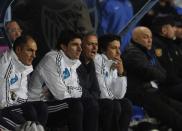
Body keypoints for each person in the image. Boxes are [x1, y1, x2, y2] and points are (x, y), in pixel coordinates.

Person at [123, 26, 182, 131]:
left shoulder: (146, 52)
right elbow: (150, 72)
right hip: (140, 94)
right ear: (135, 38)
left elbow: (162, 72)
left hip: (152, 91)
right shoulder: (132, 53)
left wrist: (158, 73)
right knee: (174, 117)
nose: (150, 40)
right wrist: (158, 73)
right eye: (145, 37)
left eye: (150, 37)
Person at [28, 30, 84, 131]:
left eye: (80, 45)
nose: (80, 49)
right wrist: (70, 89)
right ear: (63, 47)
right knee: (75, 105)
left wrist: (69, 88)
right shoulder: (53, 59)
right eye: (75, 45)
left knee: (91, 105)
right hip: (37, 105)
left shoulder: (72, 62)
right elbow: (61, 95)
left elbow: (79, 91)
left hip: (54, 104)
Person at [0, 34, 47, 131]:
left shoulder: (23, 65)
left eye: (35, 51)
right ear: (18, 50)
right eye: (30, 50)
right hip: (3, 109)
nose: (34, 55)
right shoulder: (6, 66)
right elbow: (4, 103)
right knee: (29, 110)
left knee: (42, 107)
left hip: (14, 105)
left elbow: (23, 97)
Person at [94, 34, 132, 131]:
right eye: (114, 48)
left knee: (126, 103)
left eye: (119, 48)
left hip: (108, 100)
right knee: (113, 105)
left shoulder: (113, 63)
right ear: (103, 49)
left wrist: (121, 73)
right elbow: (102, 91)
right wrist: (113, 98)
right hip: (96, 99)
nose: (119, 52)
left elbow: (120, 95)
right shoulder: (97, 60)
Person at [151, 15, 182, 101]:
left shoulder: (172, 45)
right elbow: (164, 74)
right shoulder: (154, 47)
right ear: (164, 30)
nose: (175, 29)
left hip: (176, 83)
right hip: (165, 87)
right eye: (172, 26)